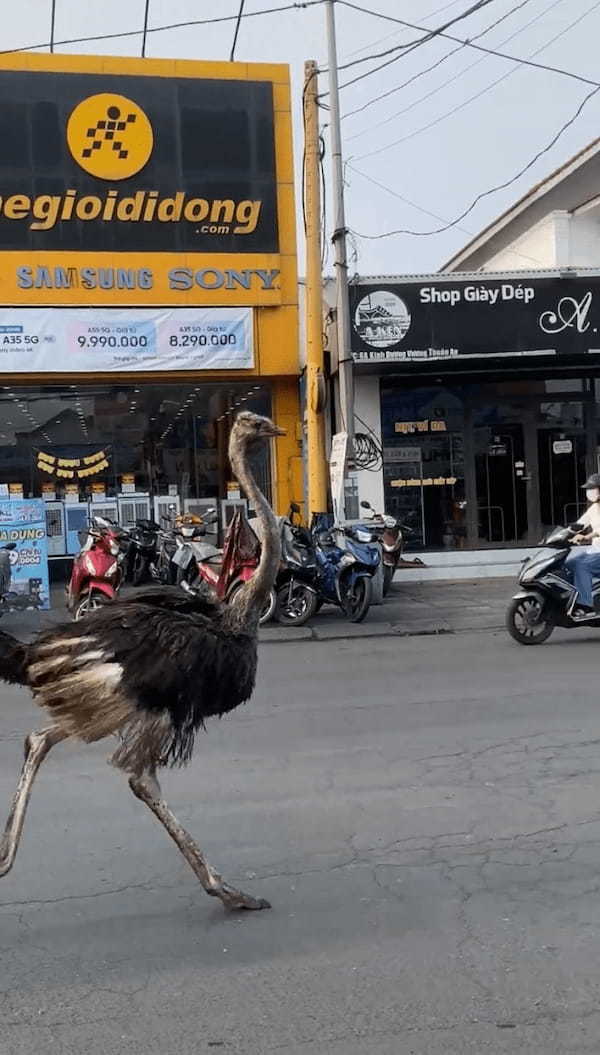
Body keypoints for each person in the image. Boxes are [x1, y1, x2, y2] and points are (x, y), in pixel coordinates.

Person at [566, 473, 600, 613]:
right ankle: (571, 597)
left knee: (582, 566)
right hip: (595, 550)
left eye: (592, 488)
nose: (589, 492)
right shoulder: (593, 509)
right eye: (588, 489)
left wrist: (586, 537)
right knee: (568, 564)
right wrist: (562, 535)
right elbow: (579, 524)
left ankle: (585, 605)